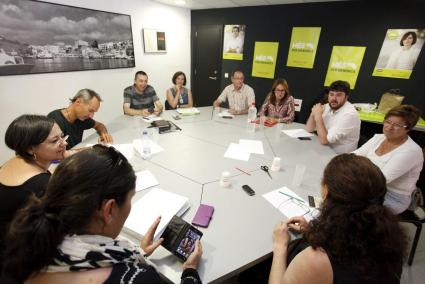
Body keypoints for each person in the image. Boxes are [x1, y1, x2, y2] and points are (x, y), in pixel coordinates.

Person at [2, 145, 202, 283]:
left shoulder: (26, 246)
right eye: (130, 199)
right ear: (109, 210)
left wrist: (139, 253)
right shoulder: (137, 277)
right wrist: (190, 272)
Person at [269, 154, 407, 284]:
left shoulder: (316, 259)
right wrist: (310, 230)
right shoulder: (389, 236)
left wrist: (280, 246)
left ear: (326, 191)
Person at [0, 114, 68, 268]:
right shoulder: (41, 185)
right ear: (30, 149)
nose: (63, 143)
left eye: (62, 136)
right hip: (22, 261)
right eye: (55, 140)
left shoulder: (11, 162)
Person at [353, 105, 423, 214]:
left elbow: (380, 180)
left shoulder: (411, 151)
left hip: (393, 197)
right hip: (371, 187)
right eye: (388, 122)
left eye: (397, 125)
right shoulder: (379, 137)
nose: (389, 127)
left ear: (408, 129)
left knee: (350, 207)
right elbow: (354, 156)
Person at [305, 80, 360, 153]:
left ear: (346, 97)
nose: (334, 98)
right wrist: (313, 112)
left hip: (340, 157)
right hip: (325, 149)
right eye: (331, 94)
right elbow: (309, 129)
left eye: (338, 95)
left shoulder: (350, 114)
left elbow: (325, 140)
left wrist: (318, 116)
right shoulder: (329, 106)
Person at [48, 89, 112, 149]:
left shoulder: (81, 118)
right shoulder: (55, 120)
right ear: (78, 102)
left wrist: (104, 134)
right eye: (90, 110)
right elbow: (52, 153)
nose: (91, 116)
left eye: (93, 112)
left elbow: (99, 125)